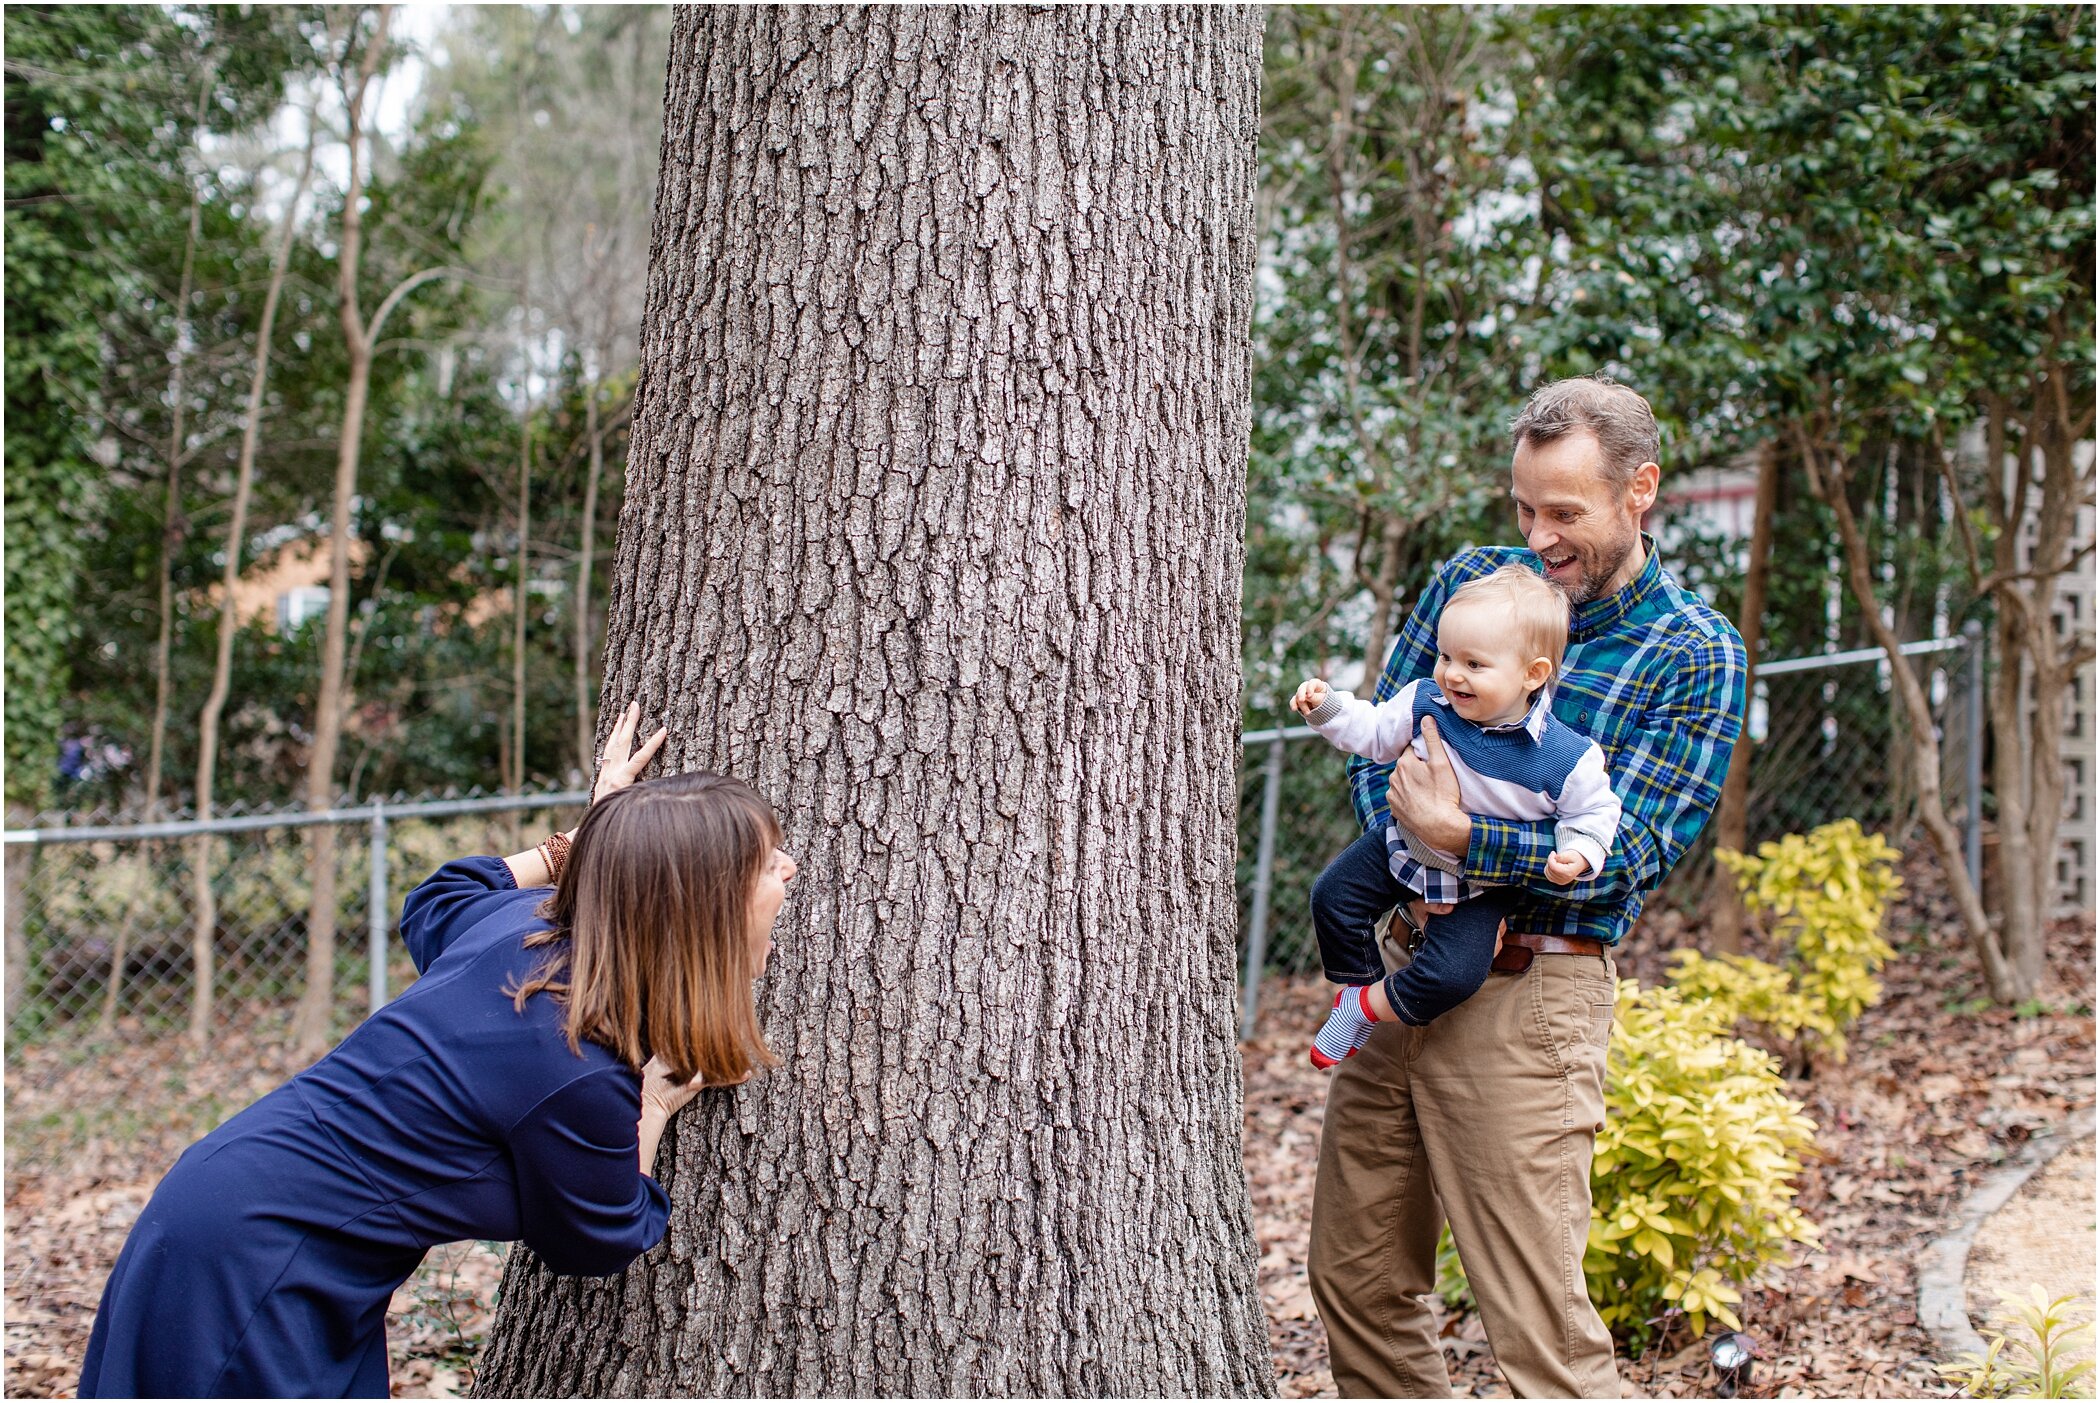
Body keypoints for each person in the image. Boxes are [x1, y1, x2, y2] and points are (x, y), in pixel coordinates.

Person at [78, 704, 796, 1399]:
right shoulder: (575, 1063)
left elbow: (440, 894)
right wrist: (655, 1105)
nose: (790, 867)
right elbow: (601, 1237)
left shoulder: (523, 931)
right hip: (251, 1270)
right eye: (766, 861)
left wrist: (586, 847)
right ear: (701, 900)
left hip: (233, 1211)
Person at [1307, 376, 1747, 1399]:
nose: (1539, 535)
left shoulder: (1691, 650)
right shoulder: (1472, 582)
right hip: (1407, 962)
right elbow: (1385, 744)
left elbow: (1628, 849)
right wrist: (1423, 841)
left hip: (1528, 997)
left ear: (1640, 491)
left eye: (1565, 512)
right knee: (1358, 1280)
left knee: (1539, 1333)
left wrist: (1460, 833)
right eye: (1524, 507)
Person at [1289, 563, 1621, 1068]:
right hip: (1403, 844)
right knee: (1333, 897)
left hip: (1479, 882)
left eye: (1474, 664)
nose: (1452, 673)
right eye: (1446, 656)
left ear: (1533, 674)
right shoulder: (1428, 700)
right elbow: (1375, 734)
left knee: (1454, 975)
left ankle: (1367, 1006)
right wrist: (1328, 708)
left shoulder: (1565, 756)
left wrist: (1578, 851)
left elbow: (1595, 810)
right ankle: (1351, 989)